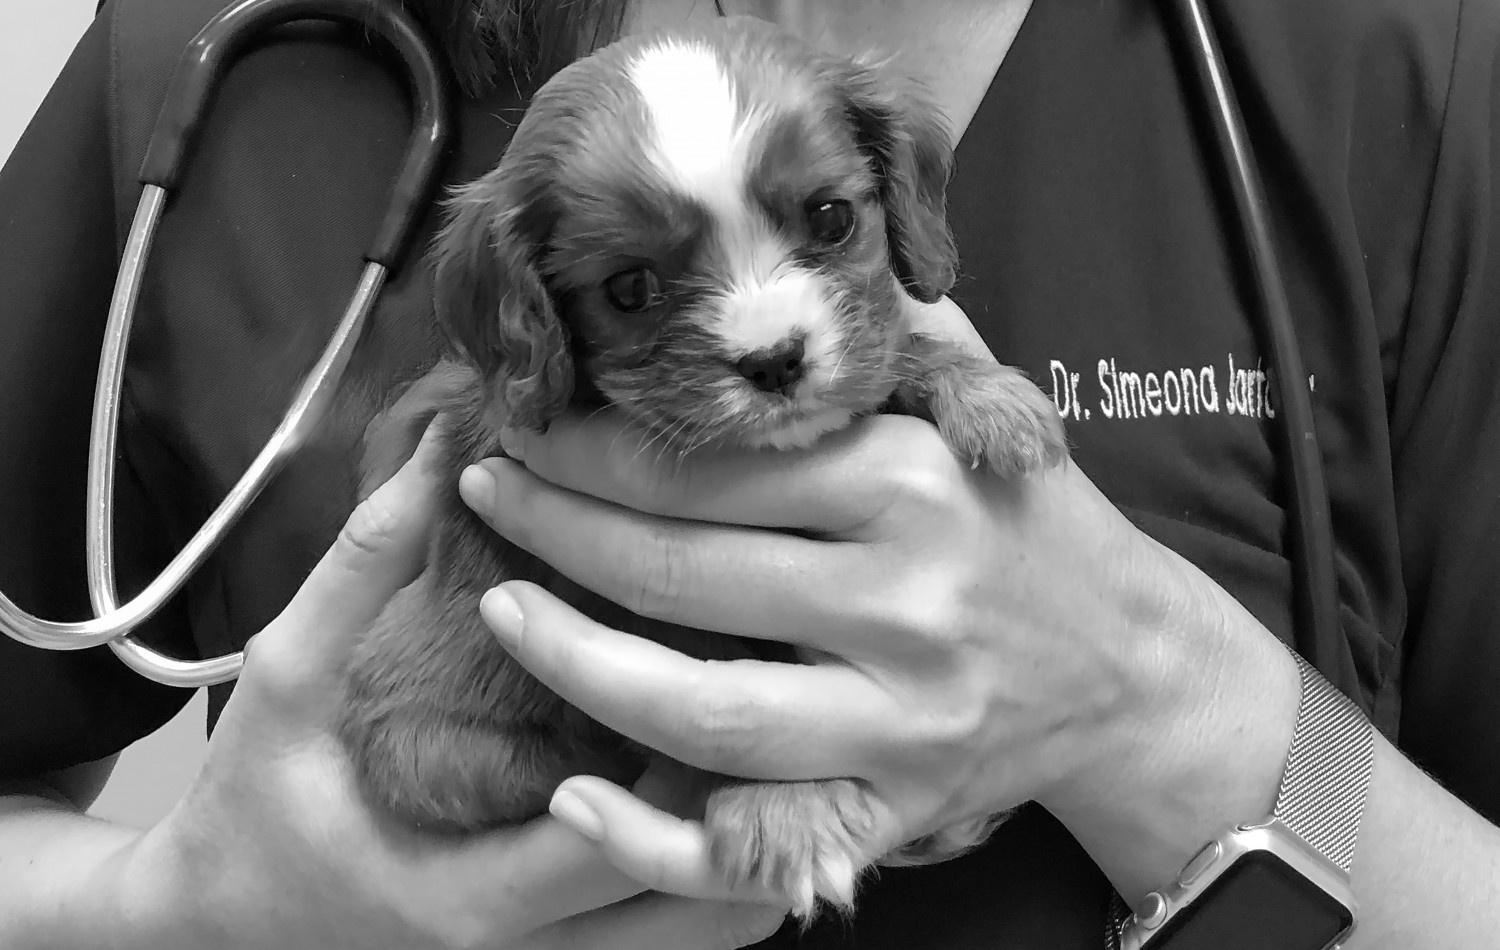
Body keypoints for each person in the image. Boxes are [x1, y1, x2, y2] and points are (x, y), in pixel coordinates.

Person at [2, 0, 1499, 947]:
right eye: (638, 292)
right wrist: (173, 913)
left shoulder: (1395, 64)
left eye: (830, 223)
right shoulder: (215, 60)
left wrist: (1170, 703)